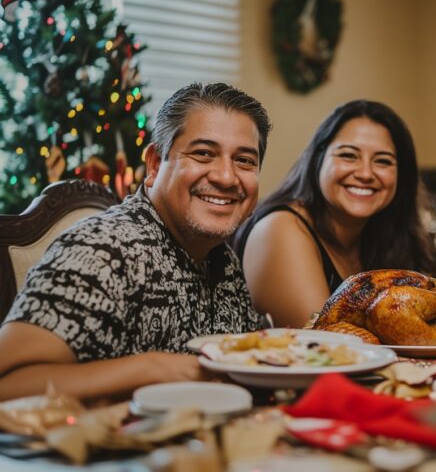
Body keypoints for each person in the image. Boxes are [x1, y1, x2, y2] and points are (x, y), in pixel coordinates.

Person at [0, 82, 271, 400]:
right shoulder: (103, 251)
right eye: (202, 154)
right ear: (155, 164)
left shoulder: (221, 258)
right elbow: (7, 381)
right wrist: (153, 368)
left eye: (244, 161)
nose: (226, 177)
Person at [231, 99, 436, 328]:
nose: (365, 173)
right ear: (318, 159)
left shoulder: (384, 235)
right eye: (348, 155)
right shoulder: (280, 229)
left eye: (383, 161)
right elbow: (324, 345)